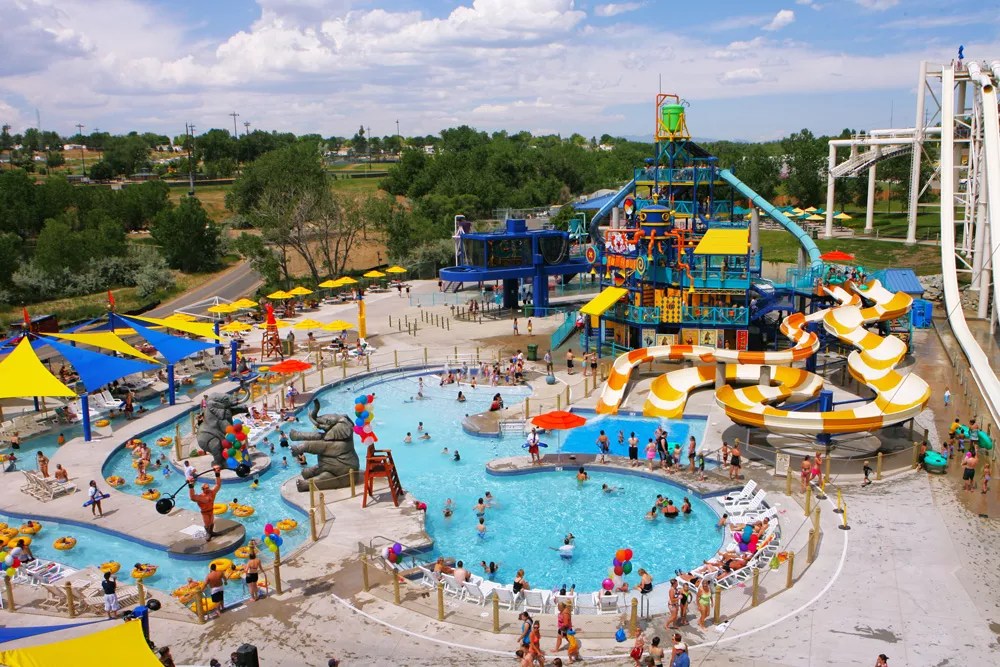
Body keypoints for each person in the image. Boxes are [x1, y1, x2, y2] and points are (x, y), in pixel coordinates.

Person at [189, 466, 223, 542]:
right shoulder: (201, 497)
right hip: (205, 512)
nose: (207, 489)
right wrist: (191, 485)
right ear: (203, 489)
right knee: (207, 523)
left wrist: (217, 474)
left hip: (211, 510)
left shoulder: (212, 493)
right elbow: (192, 497)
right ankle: (208, 533)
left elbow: (218, 485)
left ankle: (211, 532)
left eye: (208, 487)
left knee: (211, 522)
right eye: (206, 488)